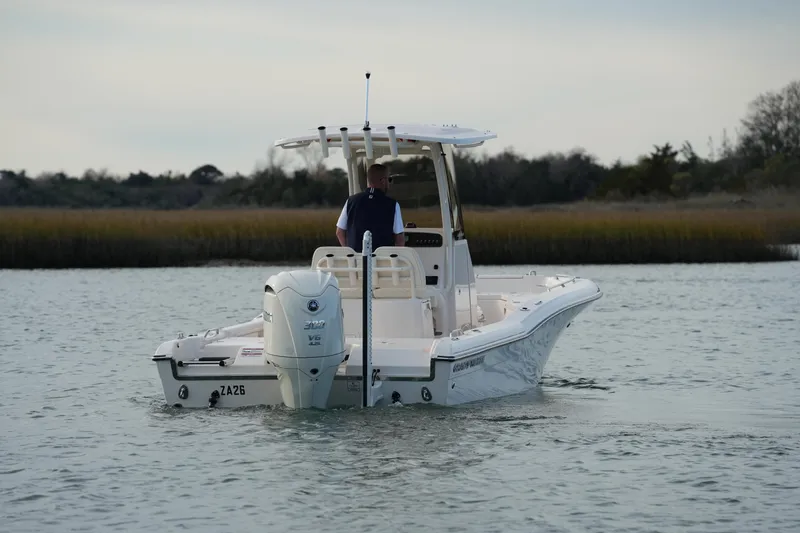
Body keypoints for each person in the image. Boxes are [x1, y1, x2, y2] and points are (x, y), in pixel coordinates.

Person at [335, 163, 405, 252]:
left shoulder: (351, 201)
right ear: (383, 181)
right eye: (389, 179)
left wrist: (349, 253)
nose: (389, 183)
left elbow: (339, 232)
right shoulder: (392, 204)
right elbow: (400, 239)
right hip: (382, 262)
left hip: (355, 262)